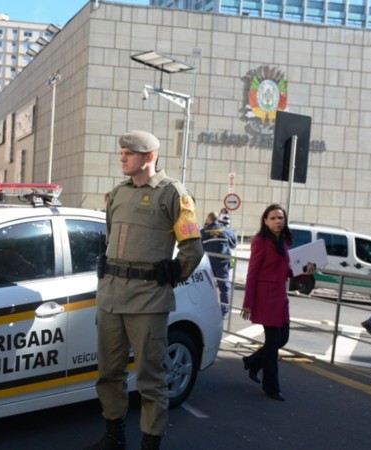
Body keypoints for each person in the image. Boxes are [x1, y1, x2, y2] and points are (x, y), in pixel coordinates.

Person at [88, 131, 203, 450]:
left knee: (151, 379)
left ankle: (150, 443)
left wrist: (171, 274)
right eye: (122, 152)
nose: (122, 157)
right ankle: (114, 437)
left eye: (129, 153)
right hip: (111, 299)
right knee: (108, 374)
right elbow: (112, 244)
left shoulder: (173, 194)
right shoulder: (118, 194)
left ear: (149, 157)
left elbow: (192, 249)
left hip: (149, 301)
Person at [241, 204, 315, 402]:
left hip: (280, 298)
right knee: (273, 345)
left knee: (282, 339)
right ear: (265, 221)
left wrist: (304, 271)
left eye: (280, 217)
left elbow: (285, 271)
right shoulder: (260, 241)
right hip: (265, 298)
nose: (277, 221)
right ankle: (271, 387)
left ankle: (252, 361)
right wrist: (248, 303)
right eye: (272, 218)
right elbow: (252, 272)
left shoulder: (284, 239)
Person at [200, 211, 238, 316]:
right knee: (224, 288)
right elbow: (234, 244)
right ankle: (224, 312)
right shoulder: (227, 230)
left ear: (209, 219)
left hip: (208, 265)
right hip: (223, 264)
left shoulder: (203, 231)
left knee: (208, 288)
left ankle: (208, 311)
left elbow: (198, 248)